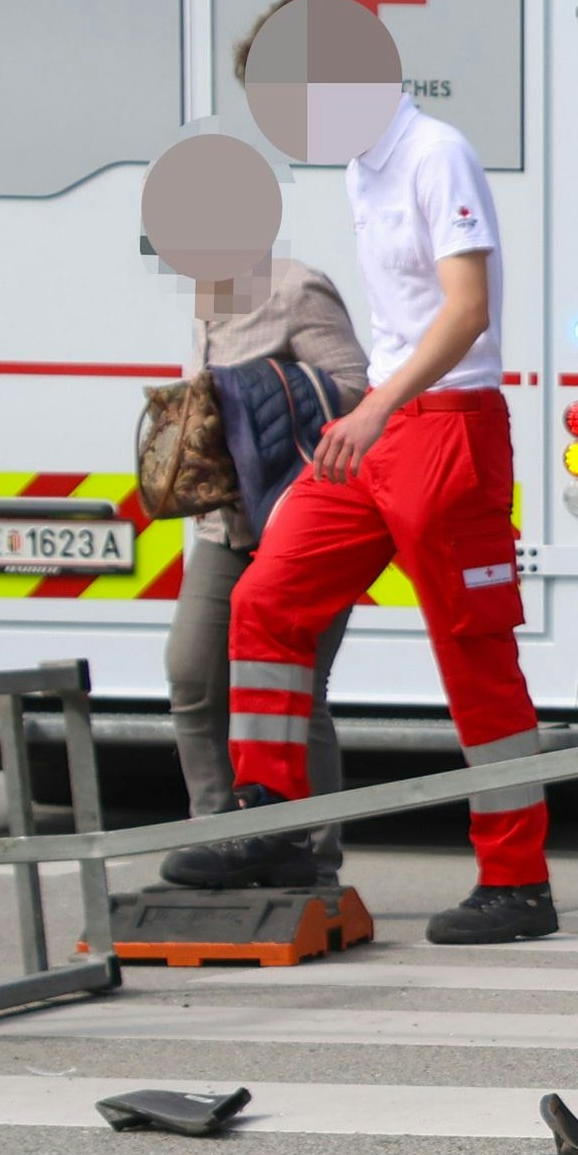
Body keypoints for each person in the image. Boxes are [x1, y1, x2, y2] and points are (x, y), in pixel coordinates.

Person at [179, 0, 554, 943]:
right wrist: (372, 410)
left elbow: (467, 308)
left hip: (449, 427)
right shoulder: (361, 167)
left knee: (473, 654)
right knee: (268, 599)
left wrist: (377, 407)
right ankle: (275, 825)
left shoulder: (435, 153)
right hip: (383, 428)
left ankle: (518, 883)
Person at [158, 255, 367, 887]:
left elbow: (357, 390)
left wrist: (258, 396)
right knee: (192, 675)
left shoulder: (296, 288)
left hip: (305, 525)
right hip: (227, 527)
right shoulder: (208, 293)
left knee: (296, 691)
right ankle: (220, 841)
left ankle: (313, 858)